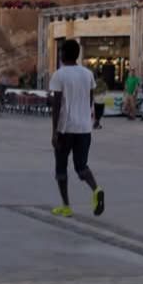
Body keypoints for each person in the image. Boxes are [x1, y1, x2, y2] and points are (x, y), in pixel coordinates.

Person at [49, 39, 104, 219]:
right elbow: (90, 99)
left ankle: (66, 207)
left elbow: (57, 105)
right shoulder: (88, 74)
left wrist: (54, 132)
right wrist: (85, 118)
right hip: (84, 128)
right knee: (81, 167)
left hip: (66, 128)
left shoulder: (59, 75)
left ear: (63, 54)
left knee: (61, 168)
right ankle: (96, 189)